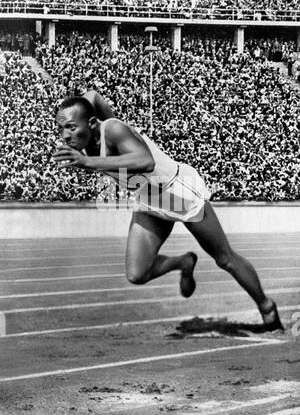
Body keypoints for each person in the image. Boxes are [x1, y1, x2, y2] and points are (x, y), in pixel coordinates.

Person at [53, 90, 284, 332]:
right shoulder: (87, 139)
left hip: (178, 193)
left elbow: (146, 161)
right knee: (137, 273)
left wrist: (90, 161)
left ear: (90, 122)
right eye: (62, 129)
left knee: (224, 258)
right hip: (148, 200)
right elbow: (92, 96)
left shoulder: (113, 131)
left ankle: (267, 307)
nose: (65, 136)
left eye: (70, 127)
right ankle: (183, 262)